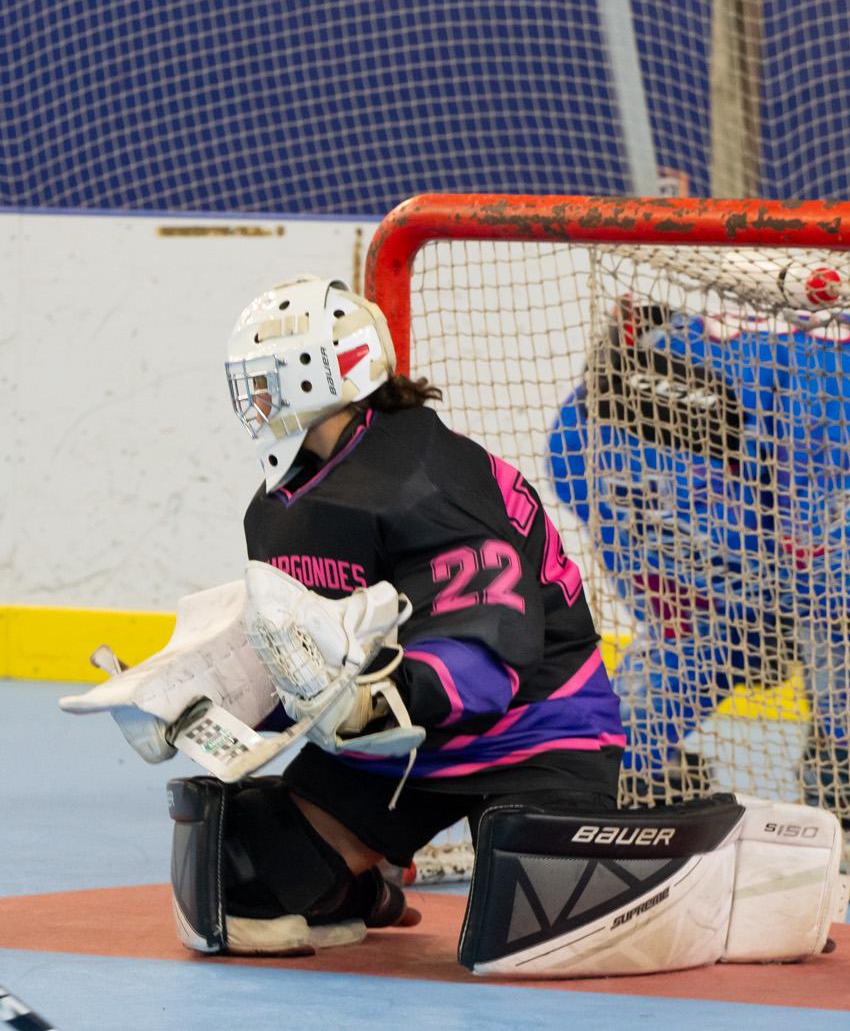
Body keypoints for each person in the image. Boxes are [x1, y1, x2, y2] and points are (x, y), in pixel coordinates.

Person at [196, 274, 625, 955]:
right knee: (238, 870)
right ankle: (356, 889)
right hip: (401, 747)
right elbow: (300, 653)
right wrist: (205, 701)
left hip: (535, 734)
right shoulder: (279, 505)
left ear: (320, 377)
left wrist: (380, 699)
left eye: (265, 377)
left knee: (533, 922)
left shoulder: (427, 474)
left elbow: (491, 648)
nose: (251, 398)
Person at [547, 253, 850, 830]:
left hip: (649, 464)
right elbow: (812, 538)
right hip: (637, 476)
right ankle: (610, 770)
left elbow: (823, 526)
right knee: (716, 629)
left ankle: (848, 758)